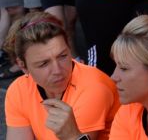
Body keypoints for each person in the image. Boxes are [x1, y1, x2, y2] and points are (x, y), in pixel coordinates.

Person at [4, 11, 119, 139]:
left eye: (62, 56)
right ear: (22, 66)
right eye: (43, 64)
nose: (57, 70)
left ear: (69, 49)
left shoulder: (93, 88)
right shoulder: (18, 90)